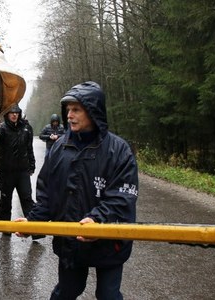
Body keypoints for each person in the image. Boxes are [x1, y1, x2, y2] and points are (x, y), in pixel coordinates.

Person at [15, 81, 138, 299]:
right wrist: (33, 222)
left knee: (108, 295)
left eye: (76, 109)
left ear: (93, 111)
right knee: (67, 292)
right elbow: (46, 195)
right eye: (68, 110)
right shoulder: (59, 149)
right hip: (71, 242)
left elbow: (122, 197)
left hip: (110, 241)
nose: (69, 115)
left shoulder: (119, 151)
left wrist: (96, 221)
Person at [0, 104, 38, 236]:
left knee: (27, 199)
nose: (14, 115)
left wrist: (32, 165)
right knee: (5, 200)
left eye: (17, 112)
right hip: (6, 172)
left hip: (22, 171)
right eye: (11, 113)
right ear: (7, 115)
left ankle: (36, 231)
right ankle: (5, 228)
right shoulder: (2, 129)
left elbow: (29, 148)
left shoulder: (26, 128)